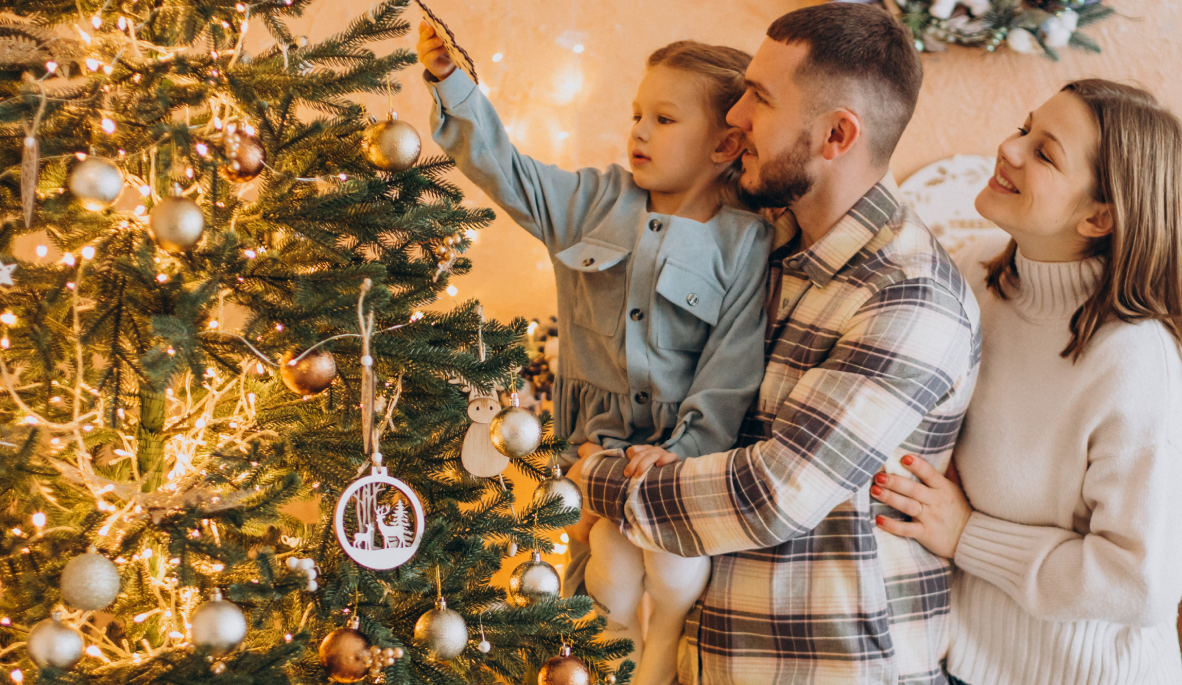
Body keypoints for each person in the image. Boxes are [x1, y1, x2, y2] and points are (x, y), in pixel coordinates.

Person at [572, 4, 980, 684]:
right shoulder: (756, 242)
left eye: (759, 98)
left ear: (836, 135)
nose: (733, 116)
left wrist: (594, 475)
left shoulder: (909, 297)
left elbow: (770, 493)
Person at [416, 27, 771, 685]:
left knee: (672, 561)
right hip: (594, 451)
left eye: (663, 119)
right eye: (637, 114)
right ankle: (615, 658)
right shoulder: (594, 201)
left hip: (679, 457)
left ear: (724, 144)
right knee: (607, 554)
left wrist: (686, 452)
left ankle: (663, 637)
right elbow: (508, 170)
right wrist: (451, 84)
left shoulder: (744, 240)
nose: (638, 131)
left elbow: (732, 363)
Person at [871, 80, 1182, 685]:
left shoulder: (1136, 358)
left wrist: (968, 534)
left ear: (1099, 216)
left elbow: (1140, 583)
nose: (1008, 150)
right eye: (1024, 128)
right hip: (954, 662)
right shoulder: (973, 271)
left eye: (1044, 153)